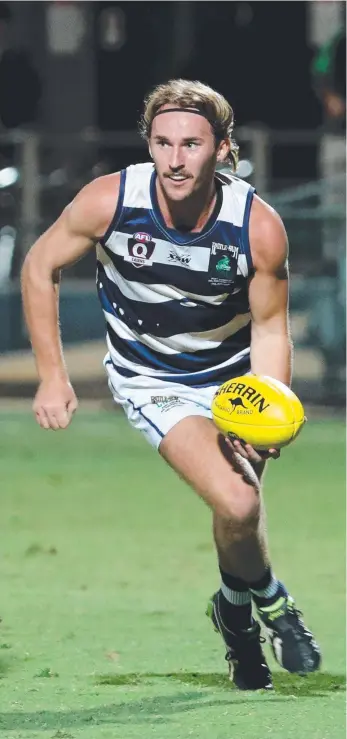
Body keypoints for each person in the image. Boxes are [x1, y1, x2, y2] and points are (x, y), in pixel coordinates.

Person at [21, 79, 321, 690]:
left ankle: (233, 617)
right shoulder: (110, 201)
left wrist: (270, 408)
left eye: (190, 144)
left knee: (236, 508)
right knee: (238, 501)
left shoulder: (256, 227)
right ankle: (271, 605)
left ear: (223, 149)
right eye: (162, 143)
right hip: (152, 378)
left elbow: (269, 328)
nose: (175, 159)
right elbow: (39, 265)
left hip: (234, 380)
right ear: (149, 145)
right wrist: (53, 376)